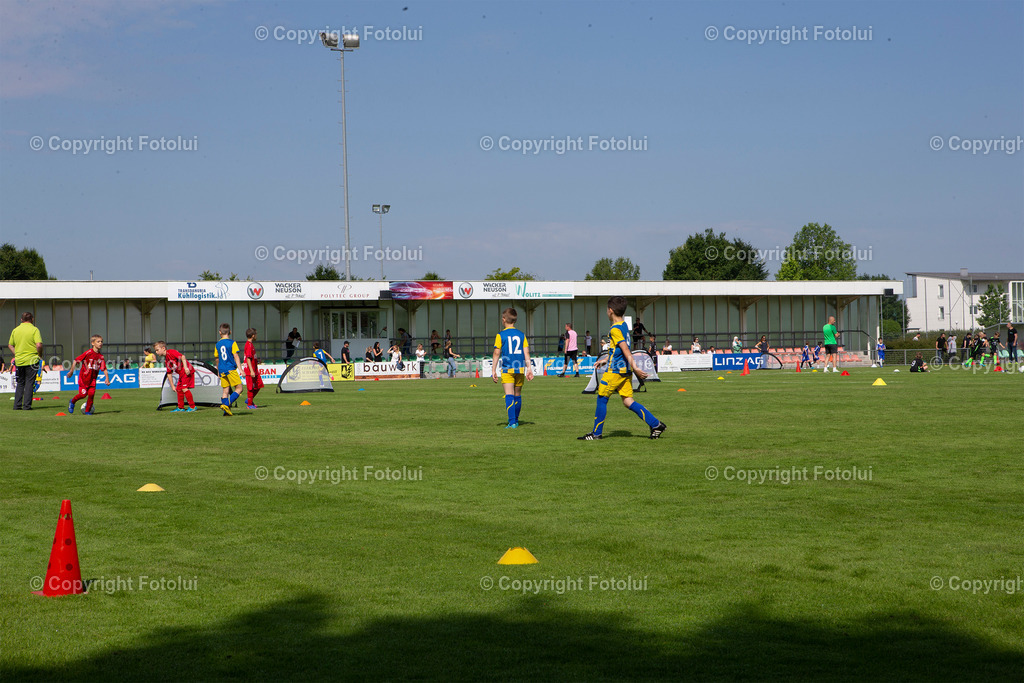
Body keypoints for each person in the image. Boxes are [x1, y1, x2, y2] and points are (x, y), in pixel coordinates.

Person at [578, 296, 666, 441]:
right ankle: (656, 424)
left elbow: (625, 349)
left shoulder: (615, 329)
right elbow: (618, 349)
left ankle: (596, 434)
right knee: (628, 401)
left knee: (601, 398)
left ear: (610, 310)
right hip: (625, 371)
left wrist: (636, 367)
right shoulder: (624, 326)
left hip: (615, 371)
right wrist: (605, 359)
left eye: (607, 309)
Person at [491, 307, 534, 428]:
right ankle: (516, 419)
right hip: (520, 368)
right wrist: (529, 369)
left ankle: (512, 422)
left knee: (509, 394)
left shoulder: (500, 335)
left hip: (507, 369)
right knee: (517, 395)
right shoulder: (521, 335)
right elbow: (527, 353)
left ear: (504, 319)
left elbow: (496, 353)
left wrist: (493, 370)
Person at [67, 334, 110, 416]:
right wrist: (71, 371)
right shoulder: (88, 353)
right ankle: (72, 401)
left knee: (91, 394)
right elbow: (76, 360)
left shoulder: (101, 356)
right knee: (83, 395)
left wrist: (107, 378)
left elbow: (104, 368)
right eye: (98, 341)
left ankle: (87, 411)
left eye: (101, 341)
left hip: (93, 380)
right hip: (84, 378)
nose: (100, 343)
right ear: (93, 343)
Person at [8, 311, 42, 410]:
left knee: (20, 383)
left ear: (21, 320)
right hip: (32, 360)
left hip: (19, 360)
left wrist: (17, 353)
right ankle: (27, 406)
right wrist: (39, 355)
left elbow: (10, 345)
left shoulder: (15, 330)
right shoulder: (34, 330)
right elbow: (39, 345)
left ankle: (17, 405)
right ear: (32, 319)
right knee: (29, 383)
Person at [154, 341, 196, 412]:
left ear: (163, 348)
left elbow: (182, 356)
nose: (156, 352)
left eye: (157, 350)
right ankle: (180, 408)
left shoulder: (171, 352)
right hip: (181, 373)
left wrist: (186, 368)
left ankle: (192, 407)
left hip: (186, 371)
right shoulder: (166, 359)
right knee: (179, 389)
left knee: (184, 388)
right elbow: (169, 373)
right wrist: (172, 385)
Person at [216, 323, 243, 416]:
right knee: (239, 388)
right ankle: (226, 405)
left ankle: (226, 412)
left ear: (220, 332)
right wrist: (240, 369)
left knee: (225, 391)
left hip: (222, 369)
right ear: (230, 332)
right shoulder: (232, 343)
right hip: (230, 368)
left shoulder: (218, 344)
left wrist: (218, 371)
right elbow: (236, 356)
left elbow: (217, 358)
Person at [243, 328, 264, 409]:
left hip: (254, 370)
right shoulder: (248, 345)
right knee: (250, 388)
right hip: (250, 371)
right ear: (253, 335)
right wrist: (251, 371)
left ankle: (249, 400)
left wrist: (256, 360)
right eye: (256, 334)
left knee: (259, 385)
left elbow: (251, 357)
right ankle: (249, 404)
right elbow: (248, 358)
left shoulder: (251, 345)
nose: (256, 336)